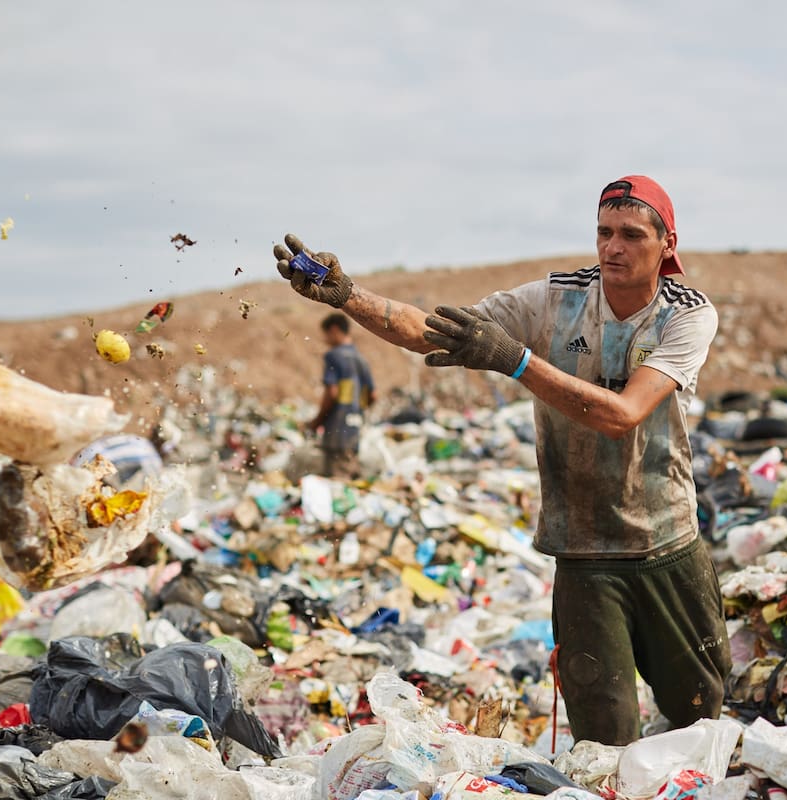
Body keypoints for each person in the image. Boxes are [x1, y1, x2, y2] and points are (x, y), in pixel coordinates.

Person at [274, 175, 731, 745]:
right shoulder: (556, 300)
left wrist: (515, 360)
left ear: (667, 244)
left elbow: (622, 415)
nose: (613, 247)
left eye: (632, 235)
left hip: (667, 544)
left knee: (698, 717)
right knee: (604, 742)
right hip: (584, 553)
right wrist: (347, 295)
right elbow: (433, 331)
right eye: (604, 232)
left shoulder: (685, 314)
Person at [309, 312, 374, 478]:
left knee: (336, 481)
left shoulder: (333, 356)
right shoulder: (362, 360)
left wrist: (317, 422)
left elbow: (332, 393)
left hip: (336, 431)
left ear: (334, 330)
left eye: (326, 334)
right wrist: (356, 410)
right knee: (348, 478)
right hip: (354, 430)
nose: (325, 340)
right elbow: (373, 395)